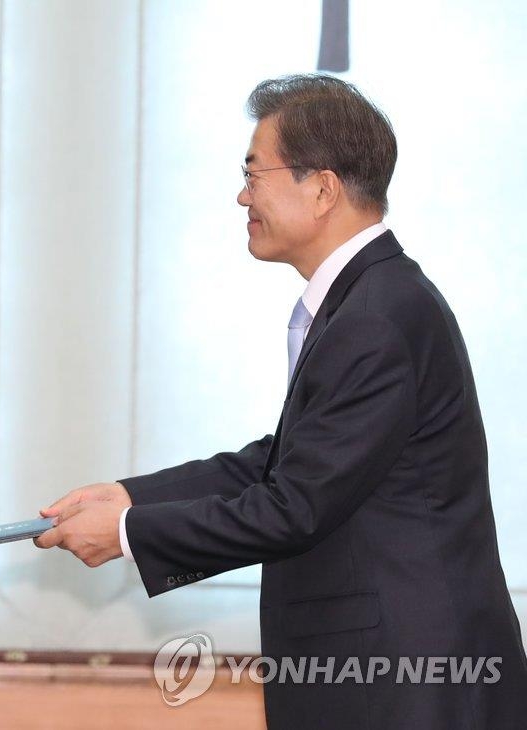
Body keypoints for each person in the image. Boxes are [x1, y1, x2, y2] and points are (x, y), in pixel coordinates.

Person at [36, 74, 527, 728]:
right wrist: (131, 497)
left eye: (254, 174)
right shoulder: (370, 300)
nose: (242, 196)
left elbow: (294, 505)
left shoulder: (373, 319)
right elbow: (286, 463)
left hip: (409, 683)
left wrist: (127, 534)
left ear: (321, 188)